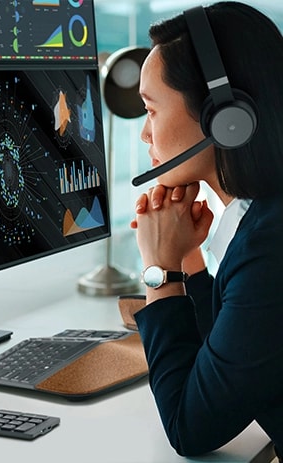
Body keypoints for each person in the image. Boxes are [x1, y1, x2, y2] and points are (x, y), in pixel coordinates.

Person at [130, 2, 283, 457]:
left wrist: (158, 269)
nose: (144, 135)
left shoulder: (268, 249)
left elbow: (189, 427)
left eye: (150, 109)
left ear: (225, 118)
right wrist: (186, 261)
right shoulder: (265, 223)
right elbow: (233, 353)